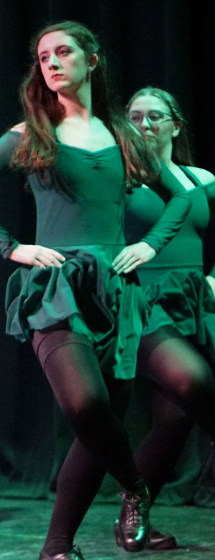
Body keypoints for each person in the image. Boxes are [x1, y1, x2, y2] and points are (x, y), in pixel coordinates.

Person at [0, 23, 190, 560]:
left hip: (119, 293)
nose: (53, 63)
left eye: (64, 52)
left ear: (93, 59)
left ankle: (56, 547)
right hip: (57, 288)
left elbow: (179, 196)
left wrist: (152, 245)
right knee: (85, 405)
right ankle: (136, 487)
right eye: (43, 57)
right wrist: (10, 247)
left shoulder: (121, 134)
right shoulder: (31, 131)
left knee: (108, 417)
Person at [116, 87, 215, 550]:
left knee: (174, 419)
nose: (145, 124)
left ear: (176, 125)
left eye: (156, 116)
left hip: (194, 303)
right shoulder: (119, 178)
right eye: (135, 116)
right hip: (143, 302)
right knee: (192, 382)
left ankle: (134, 511)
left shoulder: (201, 179)